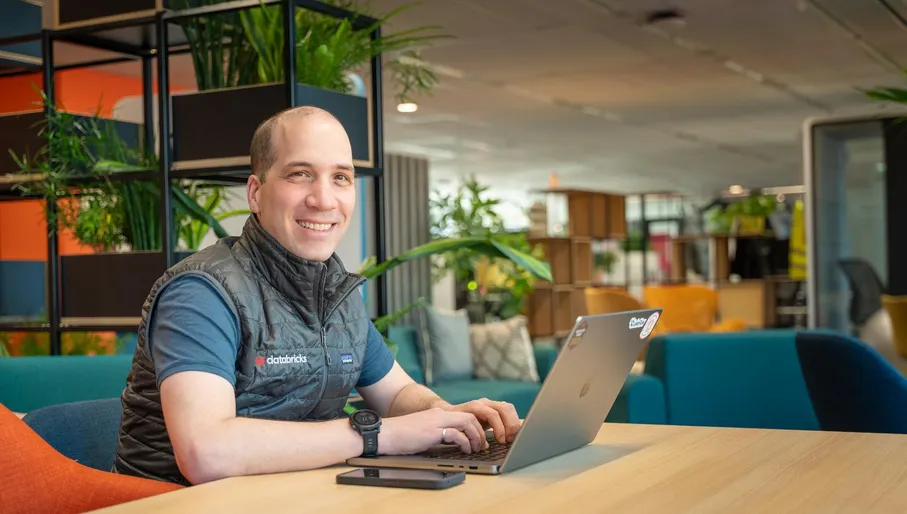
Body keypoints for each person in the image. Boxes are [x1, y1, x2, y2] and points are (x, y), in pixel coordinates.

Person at [113, 106, 521, 486]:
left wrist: (447, 416)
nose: (324, 199)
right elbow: (206, 453)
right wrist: (380, 435)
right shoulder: (201, 292)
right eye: (300, 174)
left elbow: (396, 394)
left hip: (297, 495)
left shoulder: (336, 293)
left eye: (340, 177)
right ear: (255, 193)